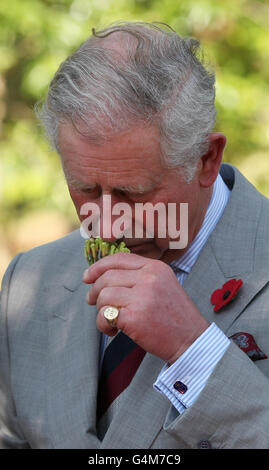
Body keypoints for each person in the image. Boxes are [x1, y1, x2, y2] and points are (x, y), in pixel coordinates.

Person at [1, 21, 269, 450]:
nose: (105, 226)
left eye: (133, 193)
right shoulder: (28, 282)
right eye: (85, 189)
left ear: (206, 159)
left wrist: (192, 348)